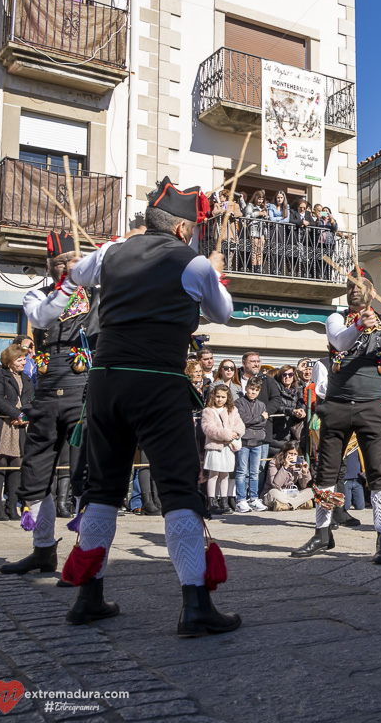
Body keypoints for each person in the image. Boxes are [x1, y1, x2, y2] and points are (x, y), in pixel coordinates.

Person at [56, 176, 240, 636]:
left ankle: (88, 595)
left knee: (102, 488)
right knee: (179, 489)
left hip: (104, 383)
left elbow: (77, 273)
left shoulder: (112, 252)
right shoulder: (192, 262)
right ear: (182, 229)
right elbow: (223, 312)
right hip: (157, 383)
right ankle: (195, 606)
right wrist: (213, 270)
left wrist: (118, 250)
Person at [290, 267, 381, 565]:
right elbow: (341, 341)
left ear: (372, 292)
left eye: (360, 285)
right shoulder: (336, 318)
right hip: (336, 405)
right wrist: (359, 323)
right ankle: (323, 534)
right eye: (350, 285)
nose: (354, 289)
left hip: (371, 406)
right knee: (325, 473)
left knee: (378, 474)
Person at [0, 230, 98, 576]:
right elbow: (43, 317)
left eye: (73, 262)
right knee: (36, 471)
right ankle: (42, 549)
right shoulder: (36, 295)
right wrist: (68, 283)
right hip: (45, 395)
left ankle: (84, 557)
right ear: (50, 265)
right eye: (60, 263)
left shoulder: (99, 295)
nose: (67, 267)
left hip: (84, 394)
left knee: (86, 474)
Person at [0, 344, 33, 521]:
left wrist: (25, 415)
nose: (23, 362)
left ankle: (12, 507)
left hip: (20, 426)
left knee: (17, 466)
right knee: (0, 464)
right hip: (1, 424)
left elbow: (30, 400)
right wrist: (16, 413)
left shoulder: (25, 378)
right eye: (20, 359)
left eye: (24, 359)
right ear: (9, 361)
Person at [201, 384, 244, 515]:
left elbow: (240, 424)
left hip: (228, 447)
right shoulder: (208, 411)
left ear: (227, 397)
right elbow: (208, 428)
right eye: (217, 396)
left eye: (223, 397)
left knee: (225, 475)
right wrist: (226, 434)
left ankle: (224, 500)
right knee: (213, 474)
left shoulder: (232, 410)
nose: (220, 399)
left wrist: (235, 433)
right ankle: (212, 501)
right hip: (215, 447)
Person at [234, 377, 269, 513]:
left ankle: (253, 498)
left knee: (255, 472)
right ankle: (240, 499)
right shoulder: (239, 403)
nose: (253, 392)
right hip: (244, 441)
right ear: (246, 388)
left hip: (258, 442)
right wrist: (260, 418)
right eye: (251, 389)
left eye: (256, 390)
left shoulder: (261, 405)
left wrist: (258, 421)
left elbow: (263, 424)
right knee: (242, 471)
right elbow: (244, 420)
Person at [262, 442, 313, 510]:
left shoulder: (298, 464)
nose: (292, 456)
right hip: (278, 493)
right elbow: (276, 485)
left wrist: (304, 472)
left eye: (295, 454)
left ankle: (287, 505)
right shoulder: (274, 462)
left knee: (311, 491)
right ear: (285, 453)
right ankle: (299, 504)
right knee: (273, 492)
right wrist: (285, 467)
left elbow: (304, 486)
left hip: (291, 494)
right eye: (290, 453)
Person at [342, 437, 365, 512]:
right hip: (346, 480)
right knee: (346, 507)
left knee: (360, 506)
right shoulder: (343, 445)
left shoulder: (358, 446)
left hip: (357, 479)